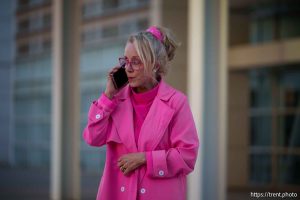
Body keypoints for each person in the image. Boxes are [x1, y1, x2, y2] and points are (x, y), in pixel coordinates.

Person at [83, 25, 199, 200]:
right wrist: (107, 96)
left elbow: (187, 156)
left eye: (136, 62)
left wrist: (145, 158)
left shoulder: (177, 102)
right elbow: (92, 137)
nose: (128, 68)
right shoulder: (115, 101)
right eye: (125, 61)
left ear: (155, 65)